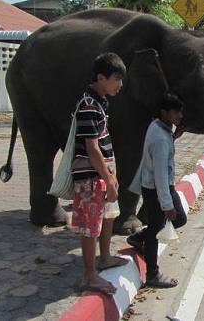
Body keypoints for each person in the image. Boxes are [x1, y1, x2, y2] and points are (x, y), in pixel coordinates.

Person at [71, 52, 128, 295]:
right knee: (90, 224)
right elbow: (92, 149)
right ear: (101, 78)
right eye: (116, 79)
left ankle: (104, 257)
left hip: (103, 172)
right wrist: (108, 177)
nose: (120, 85)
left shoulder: (101, 102)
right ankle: (89, 274)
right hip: (91, 176)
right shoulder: (88, 106)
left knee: (107, 215)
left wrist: (111, 175)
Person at [127, 93, 187, 288]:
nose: (179, 115)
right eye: (175, 112)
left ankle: (139, 237)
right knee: (157, 228)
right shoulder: (161, 137)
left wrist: (174, 136)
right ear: (164, 112)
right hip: (158, 189)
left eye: (180, 111)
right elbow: (160, 175)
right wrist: (167, 204)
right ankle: (152, 274)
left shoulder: (158, 127)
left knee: (177, 219)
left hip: (154, 185)